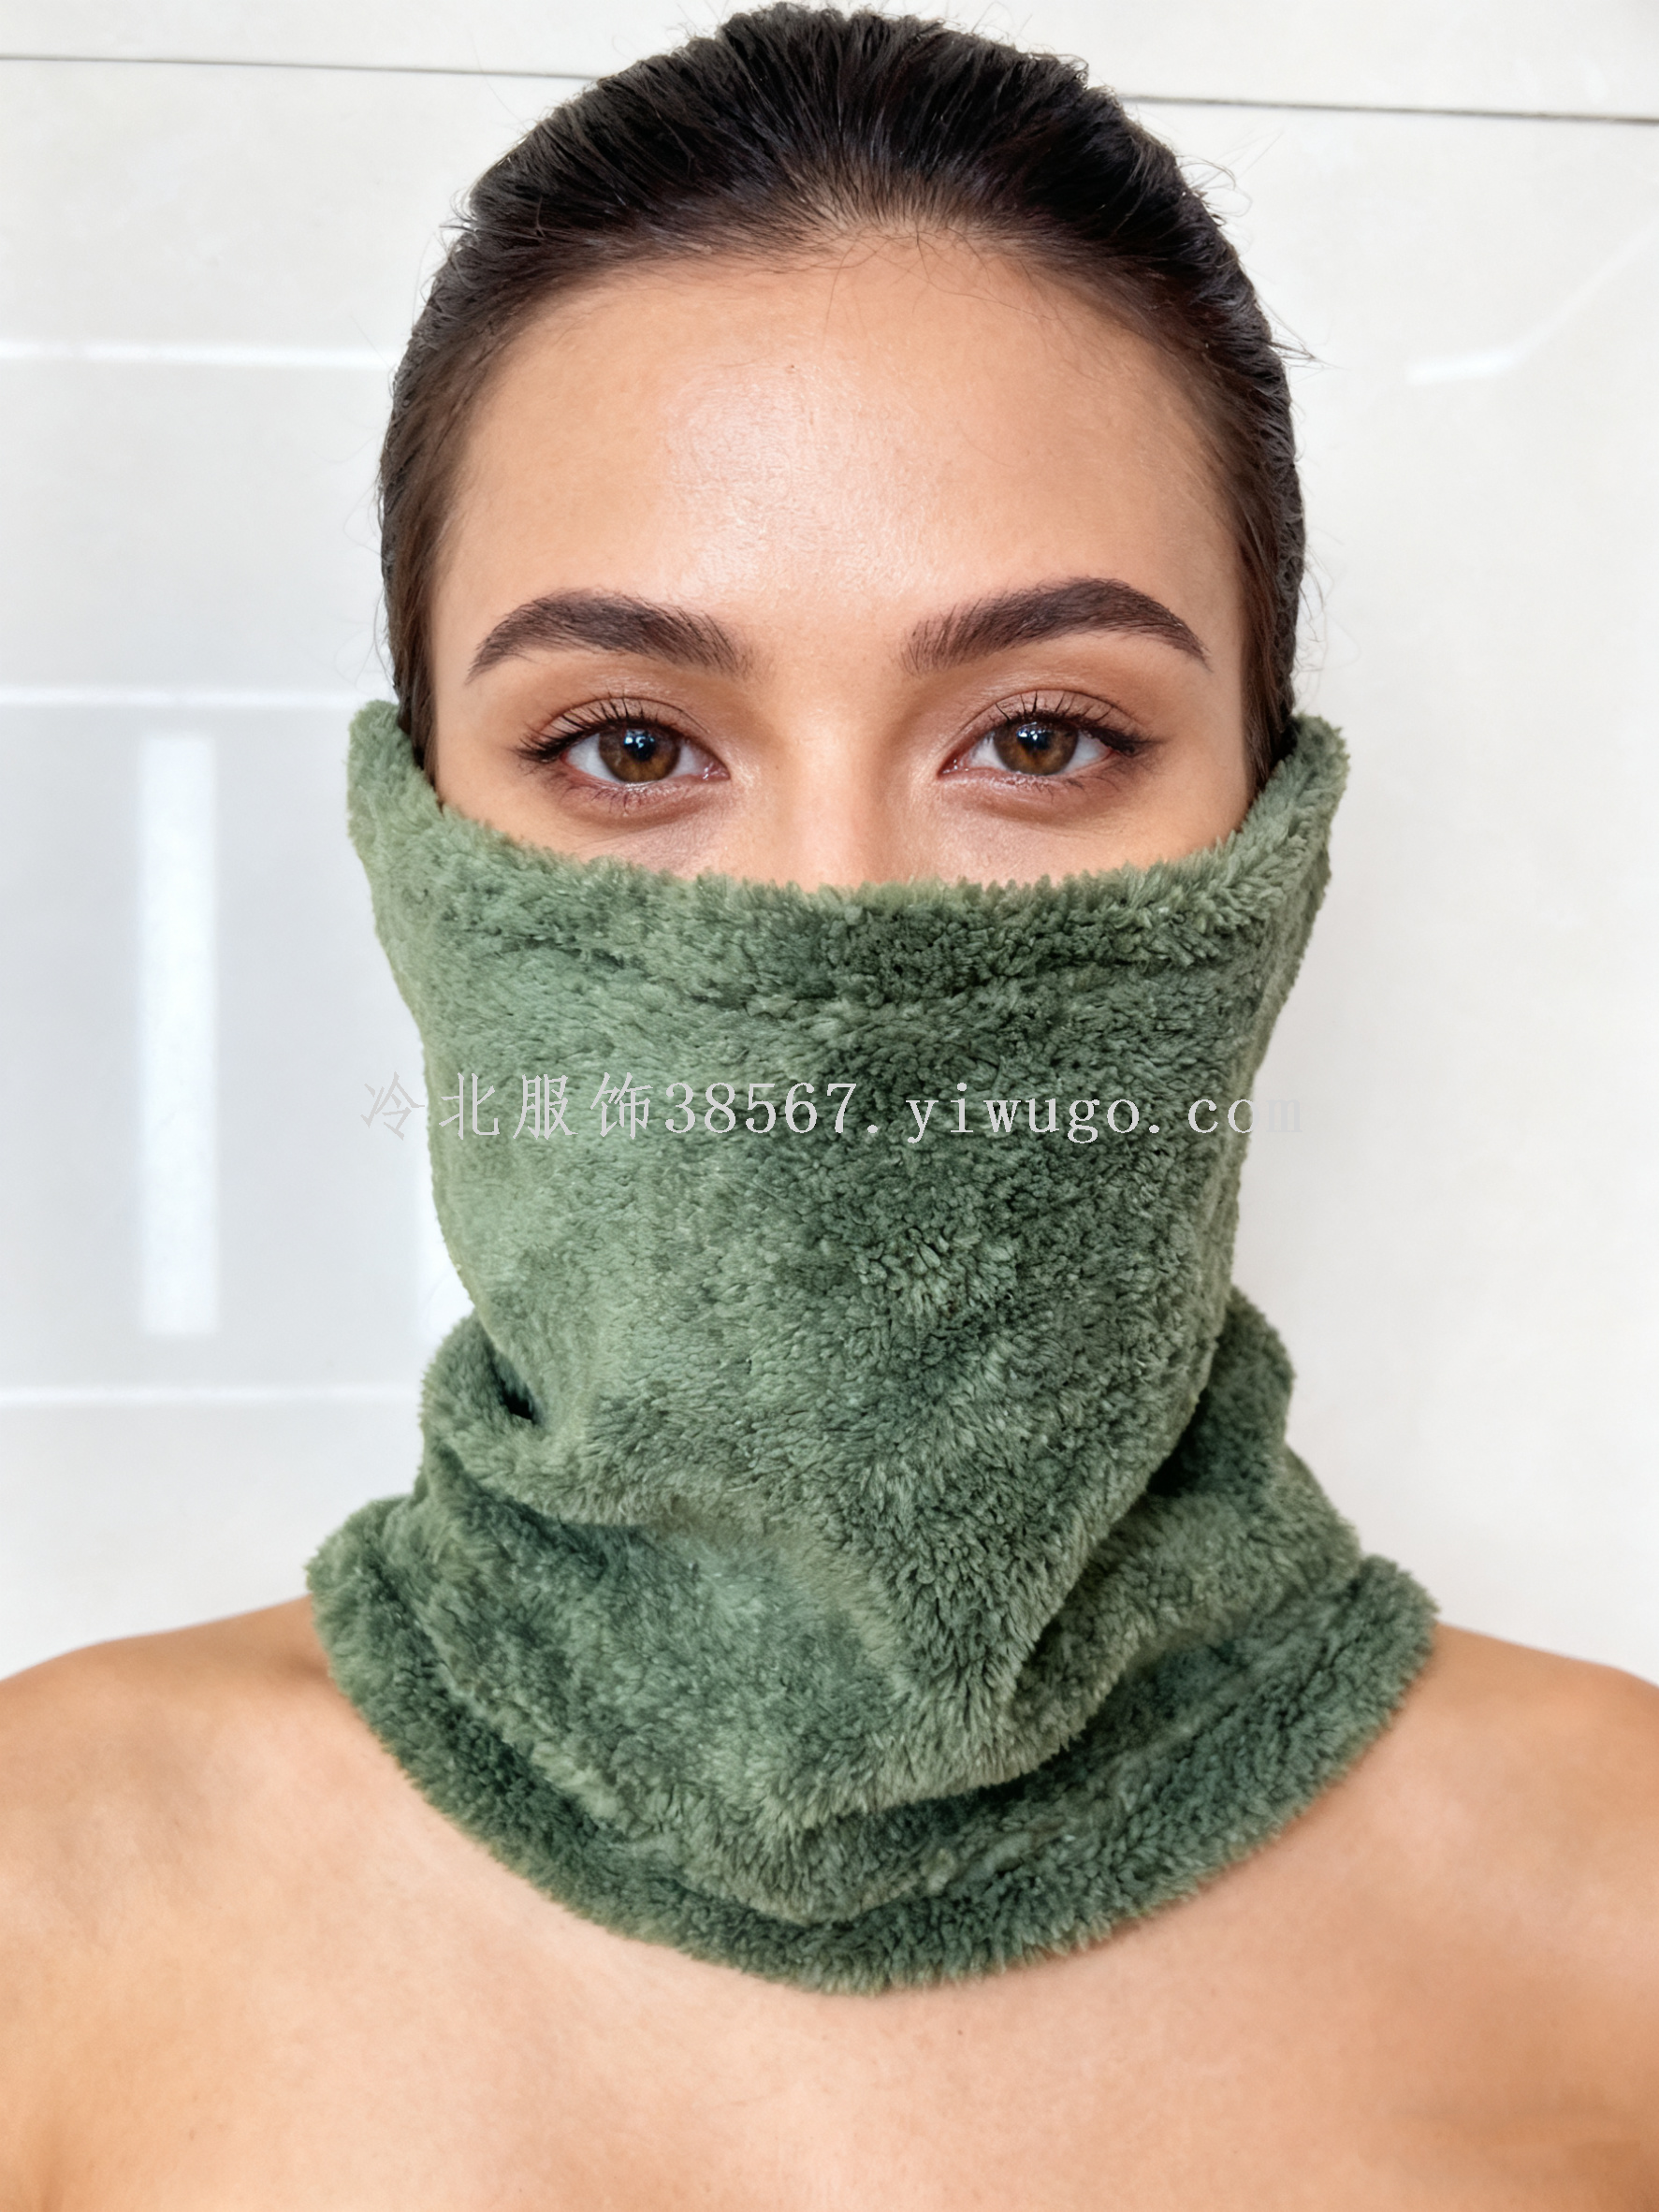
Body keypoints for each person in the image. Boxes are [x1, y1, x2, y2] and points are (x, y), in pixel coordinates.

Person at [3, 8, 1656, 2204]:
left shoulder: (1618, 1917)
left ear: (1276, 850)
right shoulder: (43, 1894)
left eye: (1041, 739)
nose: (832, 929)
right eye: (628, 747)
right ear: (412, 845)